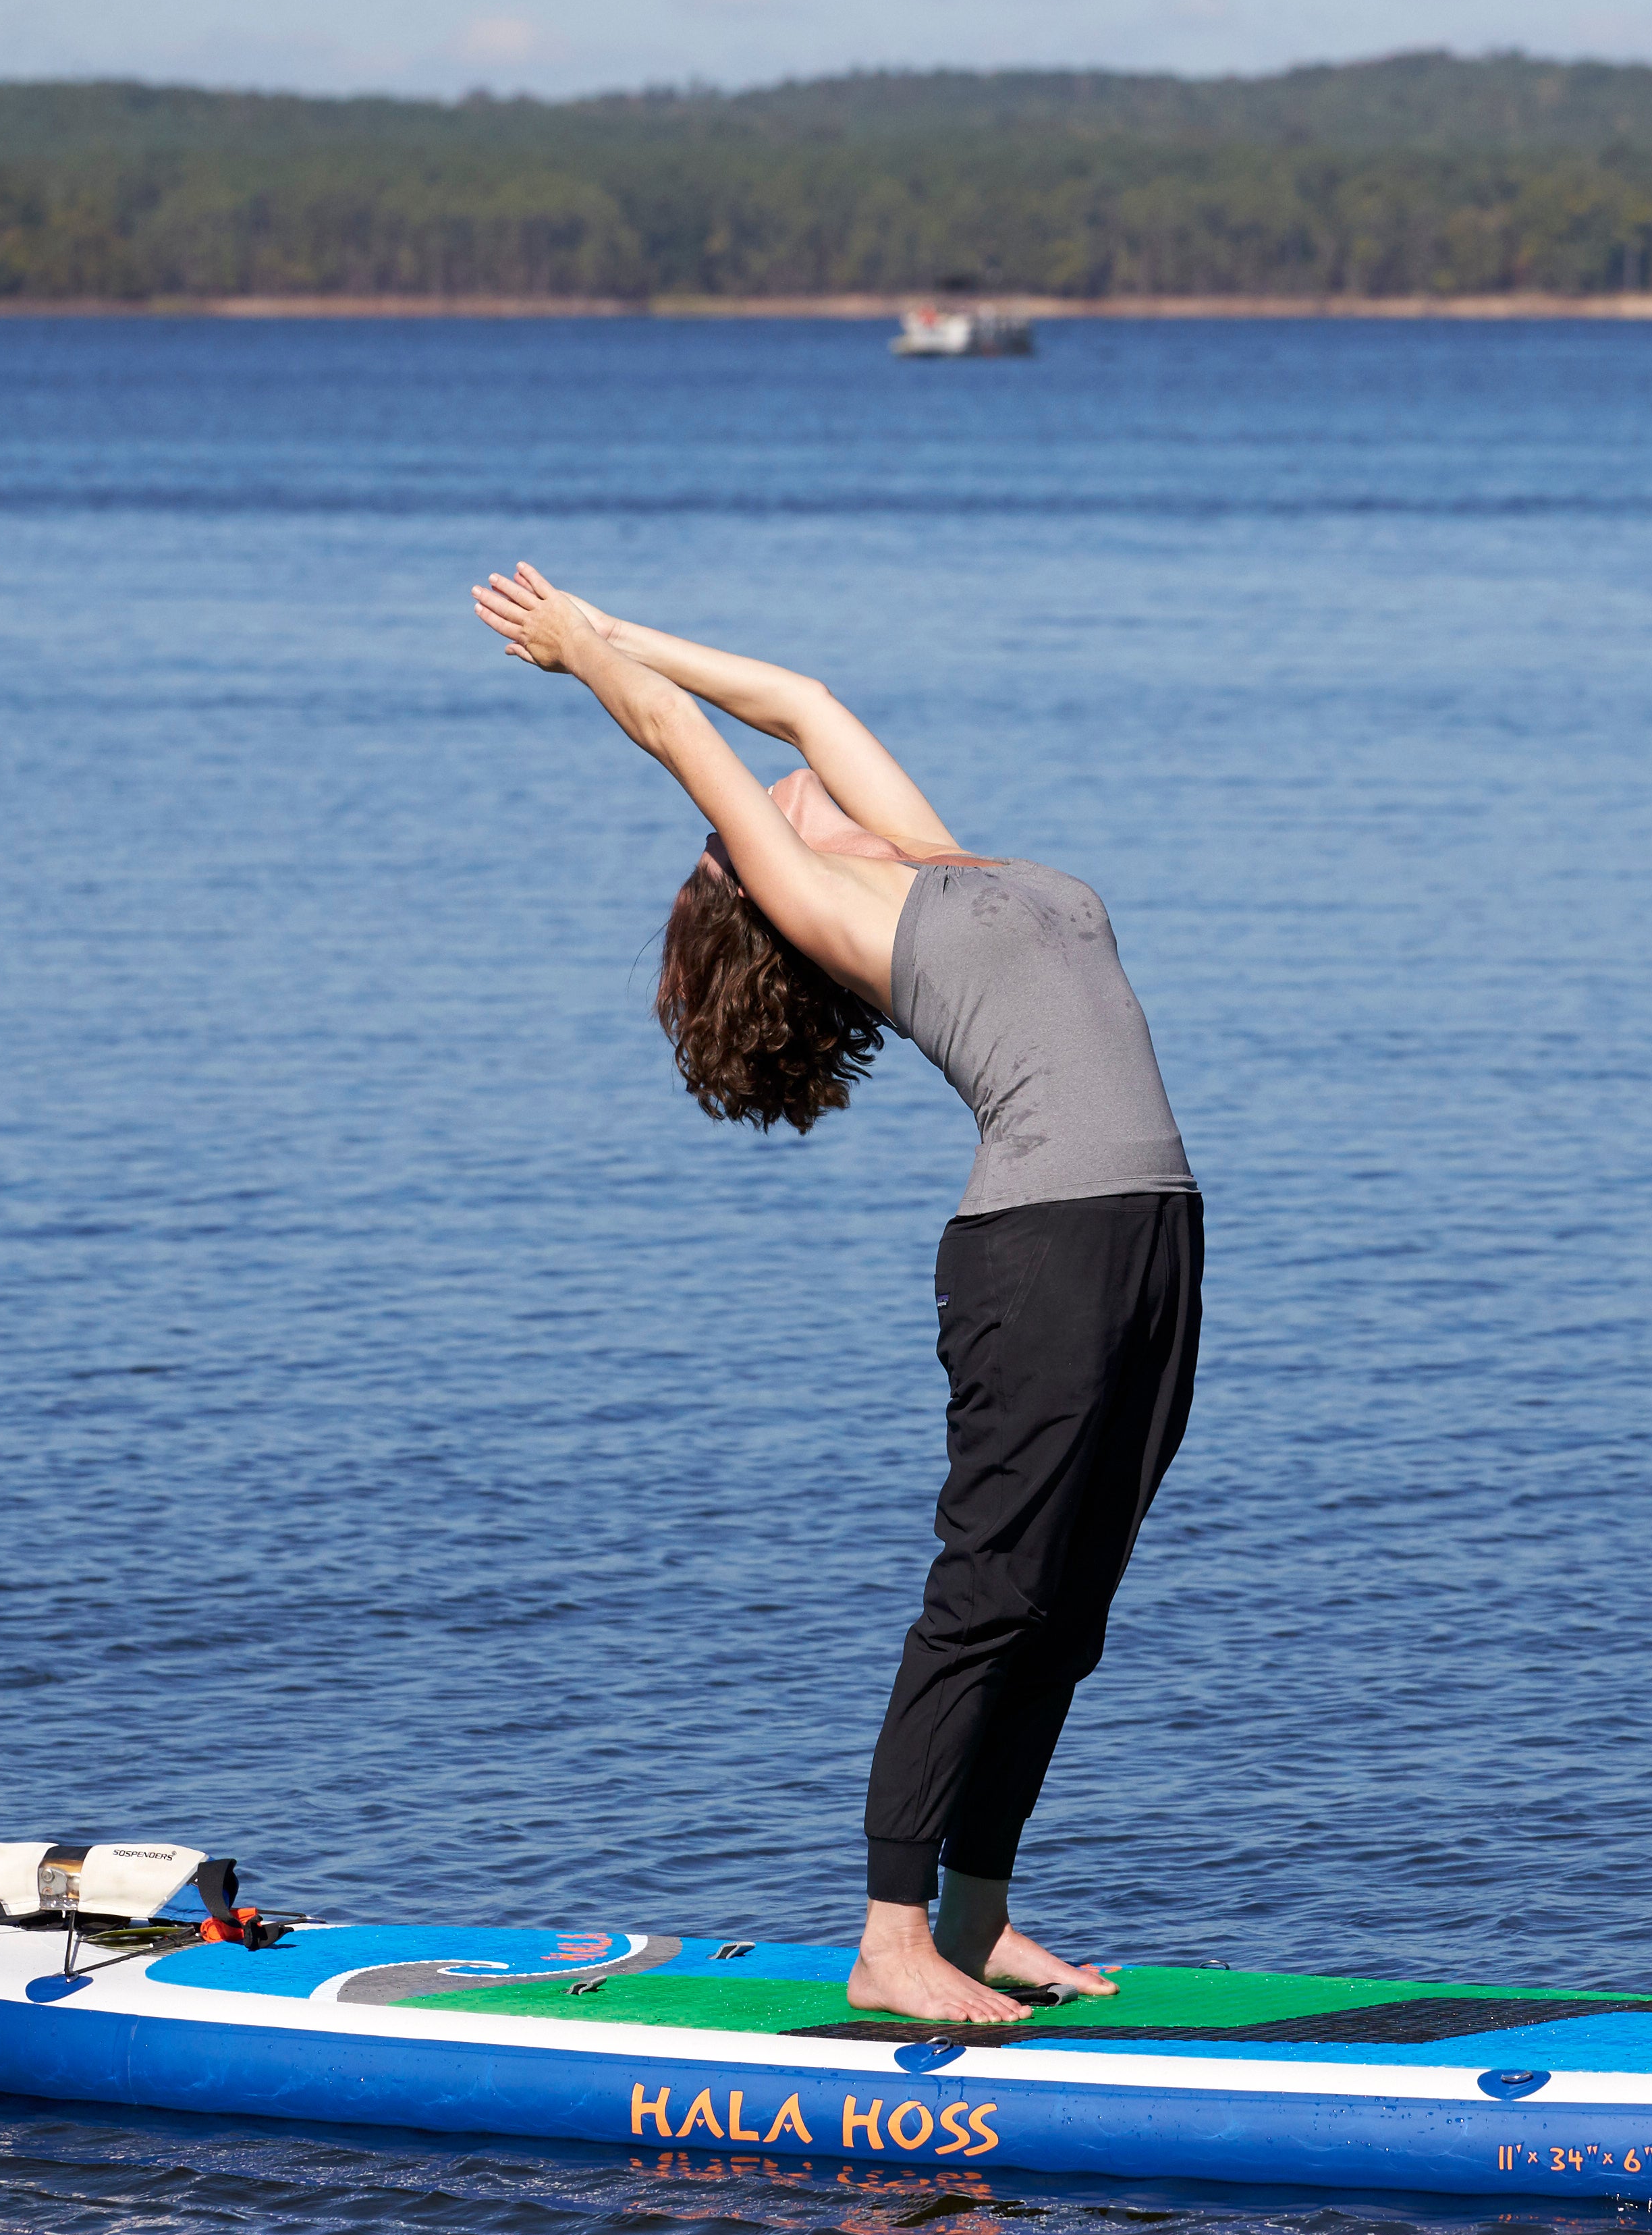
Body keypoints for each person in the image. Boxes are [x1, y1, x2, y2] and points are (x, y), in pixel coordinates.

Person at [471, 563, 1203, 2026]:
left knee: (1069, 1607)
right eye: (756, 810)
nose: (797, 783)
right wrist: (579, 659)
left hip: (1151, 1235)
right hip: (1039, 1245)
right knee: (990, 1591)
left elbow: (800, 700)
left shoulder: (943, 864)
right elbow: (692, 734)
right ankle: (889, 1933)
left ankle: (982, 1917)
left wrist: (610, 620)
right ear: (750, 874)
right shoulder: (825, 902)